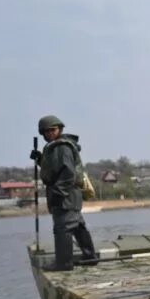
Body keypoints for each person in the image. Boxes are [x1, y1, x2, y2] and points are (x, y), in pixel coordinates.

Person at [29, 115, 98, 271]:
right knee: (77, 225)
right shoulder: (56, 147)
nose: (49, 133)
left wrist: (59, 193)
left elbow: (68, 173)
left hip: (65, 194)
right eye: (46, 131)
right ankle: (90, 256)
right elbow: (54, 170)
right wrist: (40, 159)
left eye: (52, 130)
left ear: (59, 129)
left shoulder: (62, 147)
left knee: (63, 227)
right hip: (69, 194)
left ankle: (64, 263)